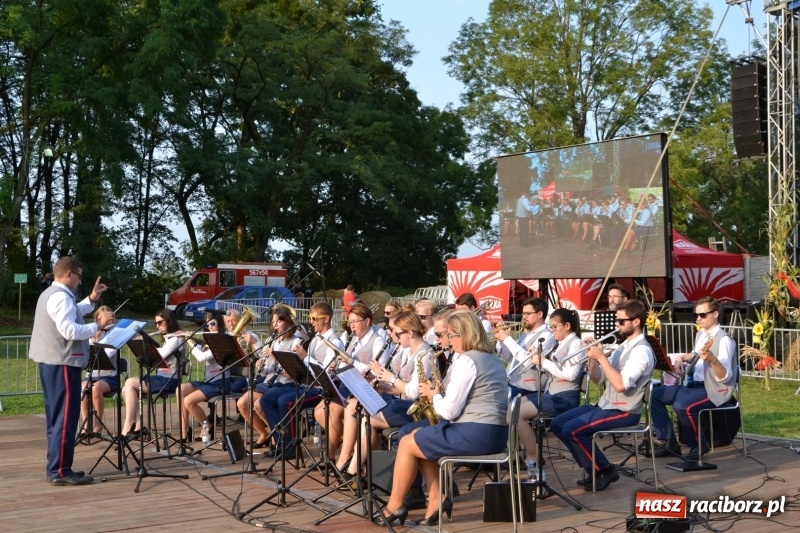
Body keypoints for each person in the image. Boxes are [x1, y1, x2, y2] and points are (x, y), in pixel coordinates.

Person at [376, 311, 508, 527]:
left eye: (452, 335)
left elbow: (448, 412)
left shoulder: (468, 360)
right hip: (494, 433)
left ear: (464, 334)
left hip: (477, 432)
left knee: (409, 442)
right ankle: (436, 500)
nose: (450, 341)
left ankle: (395, 506)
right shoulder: (491, 358)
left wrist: (433, 394)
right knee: (415, 435)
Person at [549, 299, 654, 491]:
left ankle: (604, 470)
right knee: (558, 424)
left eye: (621, 321)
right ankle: (593, 468)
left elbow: (621, 385)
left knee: (573, 430)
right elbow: (599, 379)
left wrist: (601, 357)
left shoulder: (642, 352)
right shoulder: (623, 347)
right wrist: (593, 360)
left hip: (624, 410)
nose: (617, 325)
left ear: (636, 322)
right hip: (606, 404)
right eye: (617, 321)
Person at [29, 256, 112, 485]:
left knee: (57, 419)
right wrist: (98, 326)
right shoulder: (60, 297)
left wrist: (93, 299)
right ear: (68, 274)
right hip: (63, 363)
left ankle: (55, 466)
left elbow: (73, 311)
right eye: (79, 276)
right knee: (65, 418)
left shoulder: (52, 294)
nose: (79, 281)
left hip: (52, 363)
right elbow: (69, 329)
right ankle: (61, 471)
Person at [336, 306, 431, 480]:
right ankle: (364, 473)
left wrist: (390, 378)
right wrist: (384, 387)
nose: (393, 336)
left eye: (397, 333)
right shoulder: (407, 351)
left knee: (363, 417)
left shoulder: (424, 354)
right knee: (363, 417)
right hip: (404, 403)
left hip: (417, 410)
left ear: (409, 333)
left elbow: (413, 392)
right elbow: (401, 387)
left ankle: (353, 471)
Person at [646, 296, 737, 460]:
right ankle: (669, 442)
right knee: (653, 394)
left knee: (682, 406)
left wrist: (713, 360)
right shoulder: (701, 335)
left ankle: (699, 445)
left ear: (715, 314)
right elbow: (695, 355)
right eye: (696, 315)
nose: (698, 319)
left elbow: (726, 375)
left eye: (703, 315)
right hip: (694, 386)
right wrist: (681, 358)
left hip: (714, 389)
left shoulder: (724, 340)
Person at [259, 301, 343, 459]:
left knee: (285, 401)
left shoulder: (335, 342)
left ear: (326, 319)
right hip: (305, 383)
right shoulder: (316, 339)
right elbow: (306, 369)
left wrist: (304, 358)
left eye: (314, 318)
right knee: (266, 400)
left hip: (320, 389)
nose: (311, 322)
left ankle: (290, 448)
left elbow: (324, 373)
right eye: (310, 318)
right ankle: (281, 443)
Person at [314, 303, 388, 461]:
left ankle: (333, 456)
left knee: (332, 411)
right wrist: (336, 365)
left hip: (367, 388)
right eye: (350, 322)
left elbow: (376, 371)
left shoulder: (379, 341)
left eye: (355, 322)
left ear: (367, 321)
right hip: (350, 385)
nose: (352, 326)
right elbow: (345, 363)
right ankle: (347, 446)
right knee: (320, 411)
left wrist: (350, 361)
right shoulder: (353, 339)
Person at [519, 308, 584, 480]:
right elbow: (554, 370)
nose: (552, 330)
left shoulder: (576, 344)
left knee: (516, 414)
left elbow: (571, 374)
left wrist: (545, 362)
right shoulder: (560, 343)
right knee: (513, 406)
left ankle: (533, 456)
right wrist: (540, 363)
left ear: (567, 325)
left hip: (564, 398)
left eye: (555, 327)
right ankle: (529, 453)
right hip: (552, 393)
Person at [239, 305, 303, 448]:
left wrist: (275, 355)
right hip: (270, 382)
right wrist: (261, 366)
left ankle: (278, 438)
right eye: (273, 322)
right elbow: (267, 370)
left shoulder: (295, 341)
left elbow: (292, 367)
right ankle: (272, 434)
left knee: (259, 404)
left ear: (287, 323)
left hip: (286, 383)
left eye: (279, 322)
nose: (275, 326)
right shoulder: (272, 339)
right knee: (242, 404)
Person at [120, 309, 186, 440]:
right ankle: (138, 426)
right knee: (125, 389)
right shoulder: (169, 339)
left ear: (169, 321)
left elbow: (160, 356)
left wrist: (146, 342)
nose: (157, 326)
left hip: (170, 379)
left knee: (130, 383)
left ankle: (129, 426)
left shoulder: (175, 340)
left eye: (160, 323)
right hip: (160, 377)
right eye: (156, 323)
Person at [496, 297, 555, 400]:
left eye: (527, 314)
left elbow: (528, 361)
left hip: (529, 389)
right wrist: (502, 341)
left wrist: (507, 339)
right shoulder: (525, 334)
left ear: (540, 314)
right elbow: (508, 358)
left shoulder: (546, 336)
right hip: (512, 383)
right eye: (523, 314)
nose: (524, 317)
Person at [79, 306, 119, 440]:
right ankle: (85, 425)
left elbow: (107, 354)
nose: (109, 321)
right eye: (106, 319)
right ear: (98, 320)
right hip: (93, 374)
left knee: (96, 389)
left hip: (109, 376)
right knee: (83, 388)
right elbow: (85, 354)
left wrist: (100, 340)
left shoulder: (115, 335)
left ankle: (98, 424)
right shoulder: (91, 334)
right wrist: (93, 337)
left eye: (111, 318)